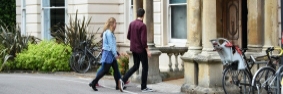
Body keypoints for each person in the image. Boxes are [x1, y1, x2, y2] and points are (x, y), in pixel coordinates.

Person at [118, 8, 154, 92]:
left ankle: (123, 80)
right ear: (143, 15)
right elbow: (143, 41)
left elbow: (128, 36)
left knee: (135, 66)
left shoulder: (131, 24)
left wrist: (135, 40)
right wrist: (148, 50)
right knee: (145, 67)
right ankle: (144, 87)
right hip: (141, 50)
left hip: (134, 49)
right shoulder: (143, 26)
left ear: (137, 14)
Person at [89, 17, 122, 91]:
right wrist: (115, 54)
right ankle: (94, 82)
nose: (116, 25)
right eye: (115, 23)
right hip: (108, 54)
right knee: (104, 70)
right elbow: (111, 45)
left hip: (109, 53)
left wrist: (115, 52)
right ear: (112, 24)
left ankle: (118, 85)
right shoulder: (109, 33)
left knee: (116, 69)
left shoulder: (107, 32)